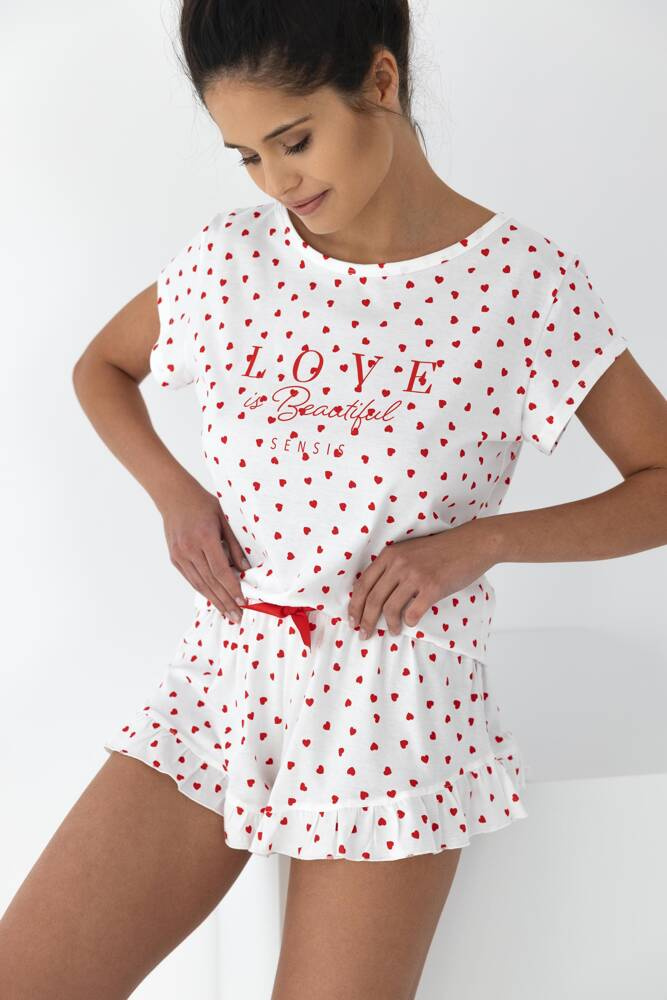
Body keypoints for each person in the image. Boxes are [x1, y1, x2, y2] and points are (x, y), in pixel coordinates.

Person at [2, 2, 666, 998]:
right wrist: (175, 495)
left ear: (381, 84)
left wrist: (482, 541)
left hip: (397, 716)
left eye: (294, 140)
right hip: (226, 679)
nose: (278, 183)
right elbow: (102, 366)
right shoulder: (231, 259)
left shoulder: (521, 283)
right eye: (246, 157)